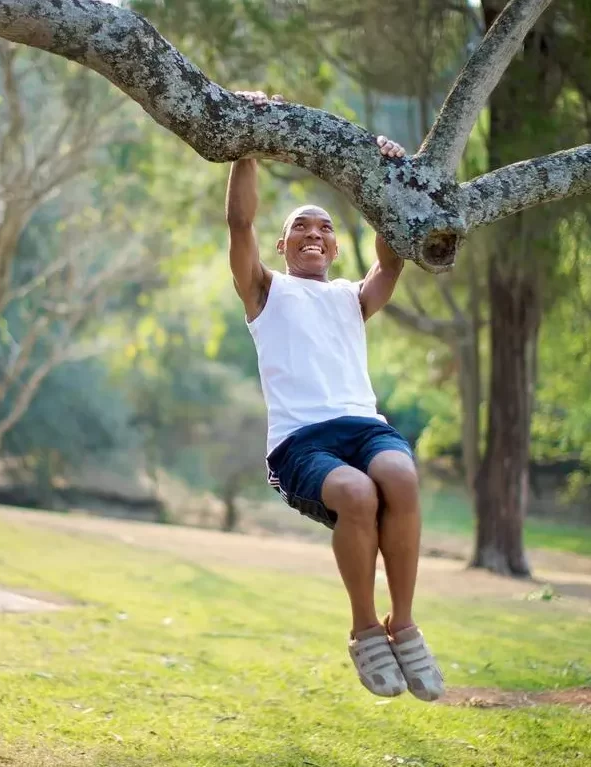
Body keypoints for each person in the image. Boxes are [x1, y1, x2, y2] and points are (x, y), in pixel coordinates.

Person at [226, 90, 445, 702]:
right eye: (300, 226)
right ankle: (364, 628)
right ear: (283, 245)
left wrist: (384, 177)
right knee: (355, 493)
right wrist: (245, 144)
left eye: (323, 227)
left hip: (363, 426)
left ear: (337, 247)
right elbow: (239, 223)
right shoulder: (265, 292)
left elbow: (393, 265)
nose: (313, 233)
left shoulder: (353, 296)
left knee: (398, 476)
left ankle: (403, 623)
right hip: (301, 443)